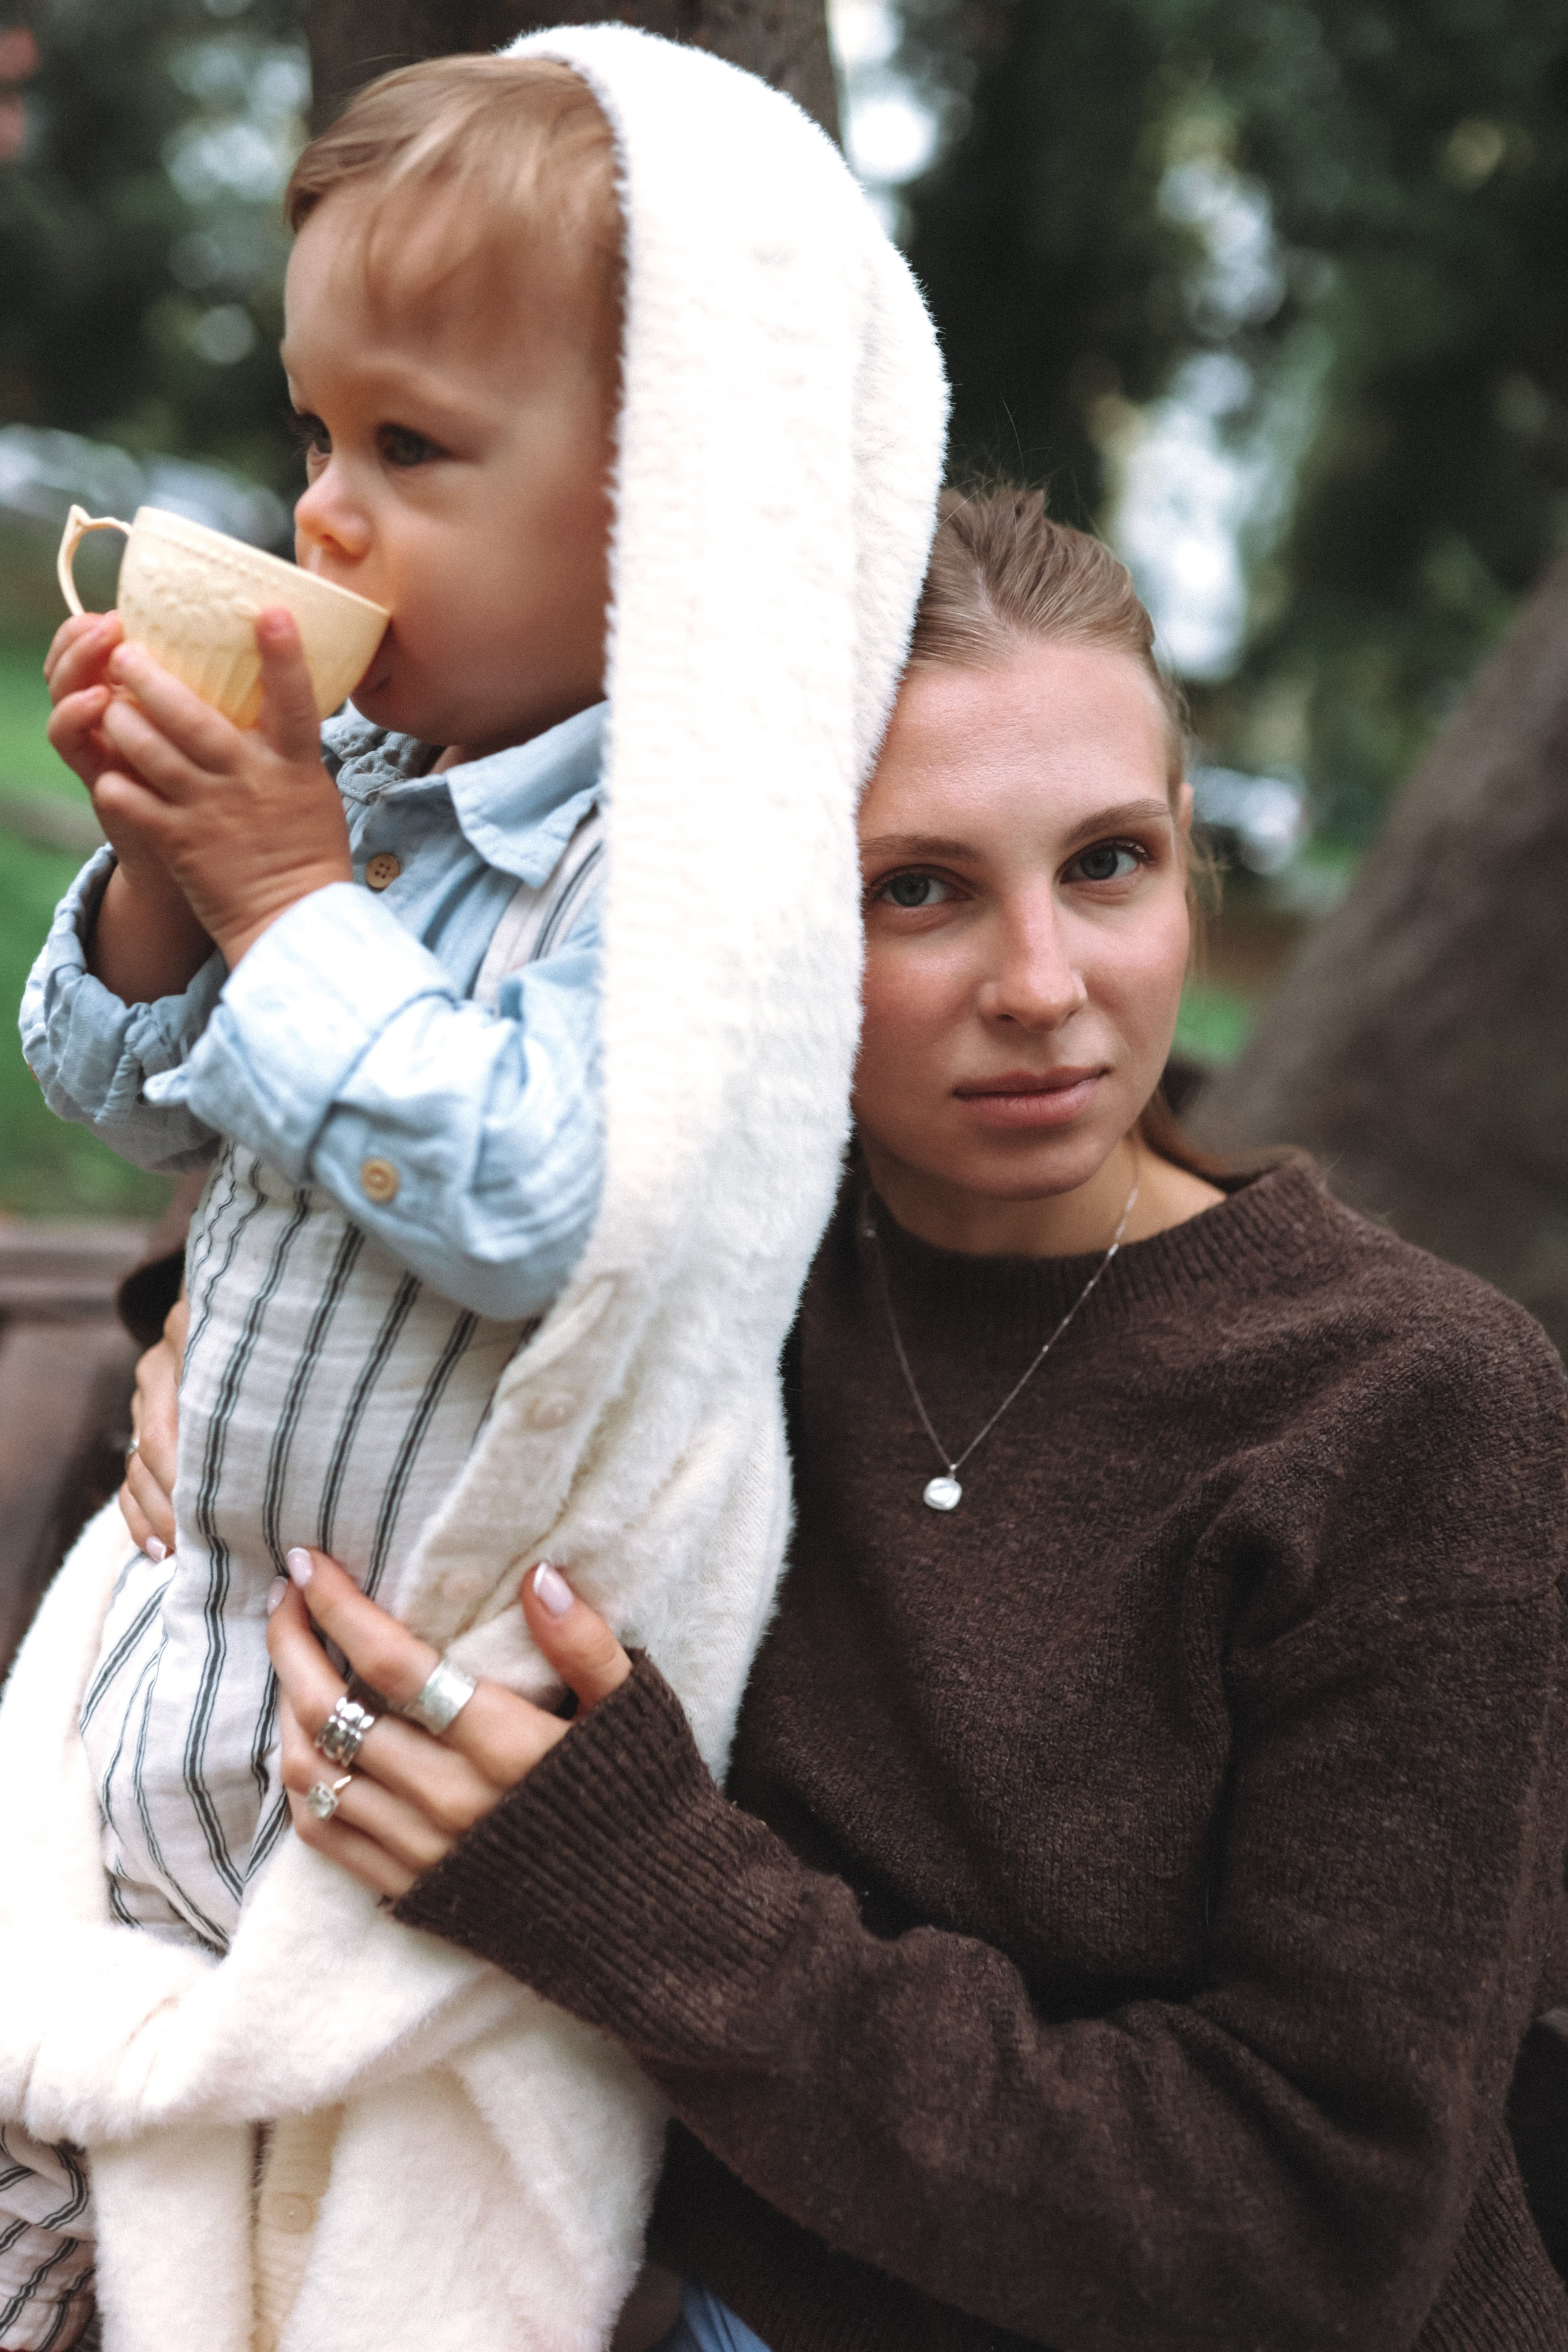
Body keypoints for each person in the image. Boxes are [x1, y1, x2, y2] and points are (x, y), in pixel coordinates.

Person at [121, 489, 1568, 2350]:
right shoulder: (712, 1255)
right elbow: (350, 1186)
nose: (1045, 989)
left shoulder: (1413, 1408)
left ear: (1191, 857)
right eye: (921, 888)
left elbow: (1315, 2230)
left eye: (1109, 864)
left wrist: (648, 1900)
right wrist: (197, 1344)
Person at [0, 29, 944, 2352]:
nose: (323, 511)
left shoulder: (689, 880)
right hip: (179, 1708)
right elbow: (124, 1102)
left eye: (412, 449)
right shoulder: (370, 792)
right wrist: (162, 886)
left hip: (414, 1830)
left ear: (672, 515)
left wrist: (285, 907)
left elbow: (553, 1206)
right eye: (318, 432)